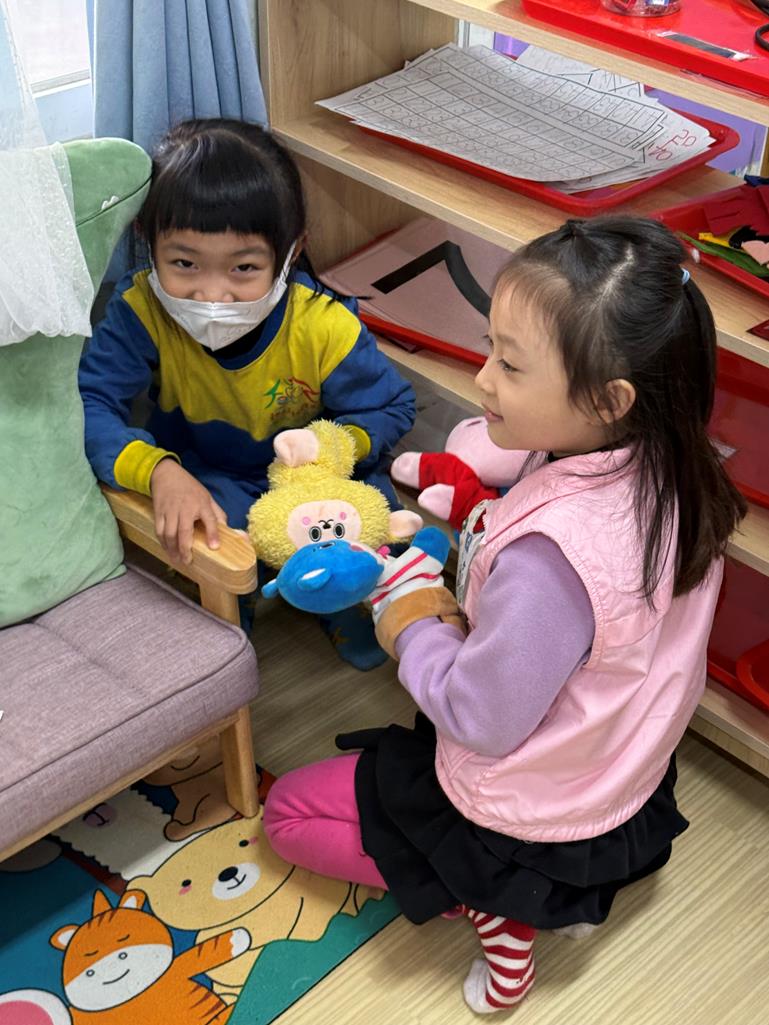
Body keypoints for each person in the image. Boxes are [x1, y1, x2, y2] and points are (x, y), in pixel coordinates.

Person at [261, 217, 747, 1013]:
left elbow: (480, 718)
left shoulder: (551, 560)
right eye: (489, 346)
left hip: (530, 801)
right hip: (621, 766)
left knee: (286, 813)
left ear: (606, 399)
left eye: (510, 365)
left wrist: (410, 620)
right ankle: (552, 888)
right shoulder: (678, 467)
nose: (482, 378)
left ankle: (494, 906)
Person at [78, 118, 415, 669]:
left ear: (291, 252)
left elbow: (391, 406)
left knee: (375, 516)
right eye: (184, 263)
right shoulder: (140, 312)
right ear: (147, 241)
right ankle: (236, 603)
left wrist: (336, 446)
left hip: (313, 475)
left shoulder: (322, 324)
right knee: (204, 535)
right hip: (211, 474)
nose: (213, 294)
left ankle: (342, 596)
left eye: (244, 268)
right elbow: (89, 405)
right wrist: (158, 471)